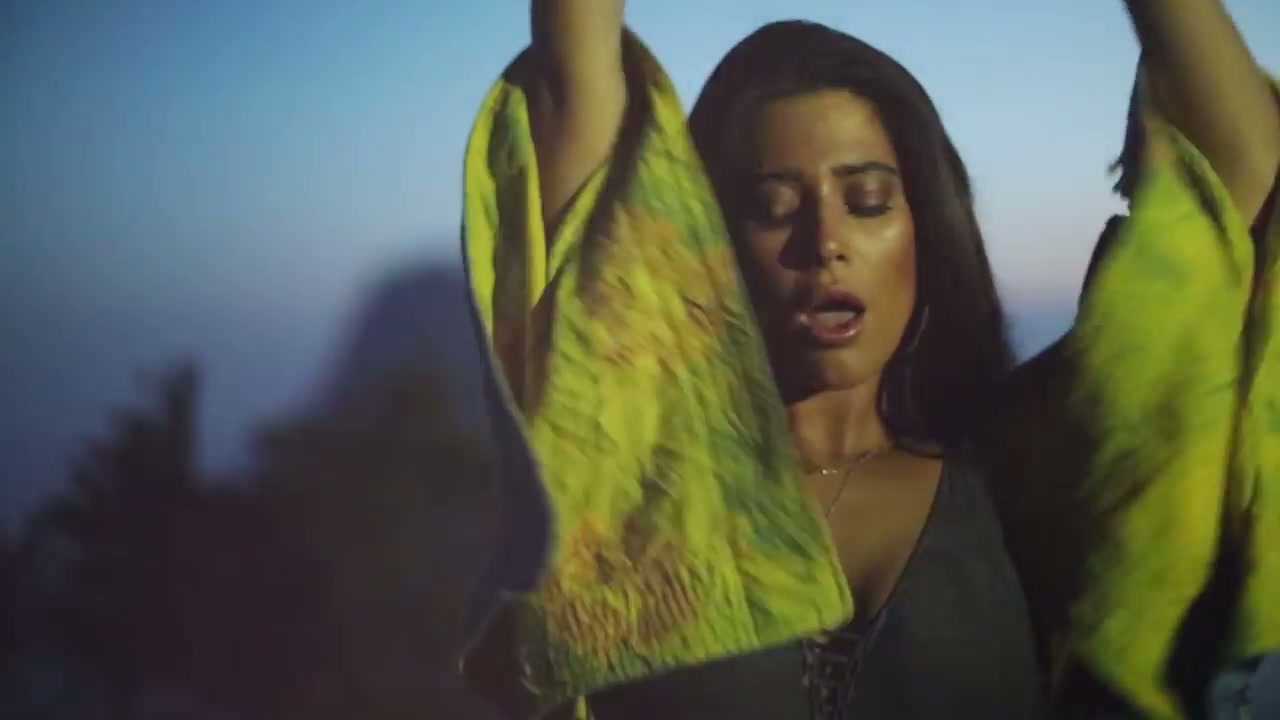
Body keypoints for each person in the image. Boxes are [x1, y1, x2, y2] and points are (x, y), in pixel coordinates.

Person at [457, 2, 1279, 718]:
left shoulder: (1015, 467)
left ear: (924, 224)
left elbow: (1238, 170)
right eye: (772, 207)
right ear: (708, 244)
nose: (825, 243)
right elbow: (573, 75)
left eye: (868, 201)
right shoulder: (641, 478)